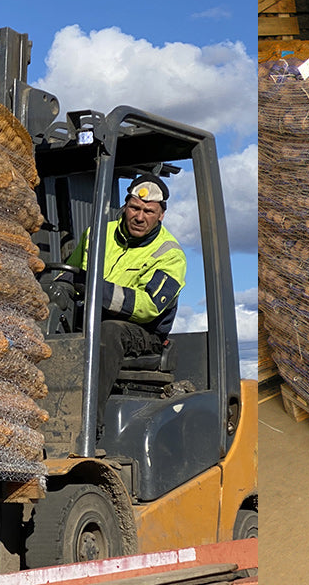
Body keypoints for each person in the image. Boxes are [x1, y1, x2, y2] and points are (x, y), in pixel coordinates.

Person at [64, 174, 187, 436]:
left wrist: (99, 291)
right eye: (135, 208)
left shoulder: (170, 254)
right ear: (125, 206)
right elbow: (69, 274)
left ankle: (86, 427)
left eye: (148, 211)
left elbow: (149, 306)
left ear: (161, 215)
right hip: (90, 317)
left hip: (143, 333)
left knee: (108, 333)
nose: (140, 217)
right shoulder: (97, 234)